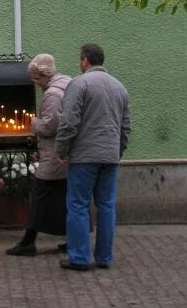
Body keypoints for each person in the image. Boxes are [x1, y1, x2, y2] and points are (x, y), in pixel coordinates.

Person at [54, 43, 131, 272]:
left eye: (80, 60)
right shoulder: (119, 87)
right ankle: (104, 257)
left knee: (78, 205)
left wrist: (61, 149)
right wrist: (117, 151)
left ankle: (79, 257)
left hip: (84, 156)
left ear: (85, 60)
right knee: (106, 205)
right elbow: (126, 127)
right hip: (110, 155)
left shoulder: (79, 84)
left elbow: (69, 121)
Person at [6, 53, 72, 257]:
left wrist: (34, 123)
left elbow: (51, 126)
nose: (34, 83)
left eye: (35, 78)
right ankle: (74, 239)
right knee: (67, 198)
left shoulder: (52, 94)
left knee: (40, 195)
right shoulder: (67, 85)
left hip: (54, 154)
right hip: (65, 154)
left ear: (43, 75)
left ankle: (28, 242)